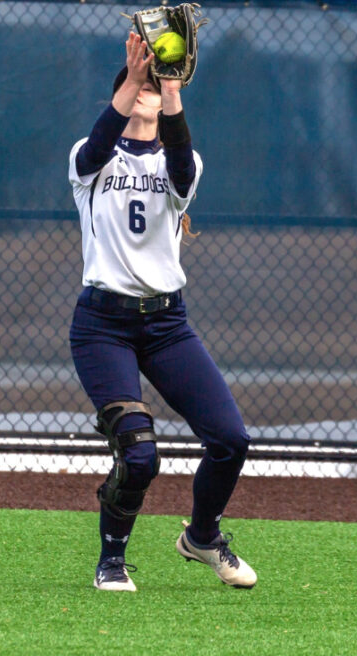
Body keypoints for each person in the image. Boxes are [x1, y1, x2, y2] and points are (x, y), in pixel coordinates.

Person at [68, 31, 256, 591]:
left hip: (166, 325)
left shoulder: (186, 161)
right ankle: (112, 559)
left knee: (231, 440)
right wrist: (132, 77)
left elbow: (177, 170)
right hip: (103, 326)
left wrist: (171, 90)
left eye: (153, 83)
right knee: (140, 453)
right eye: (140, 85)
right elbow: (101, 143)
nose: (149, 88)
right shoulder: (87, 159)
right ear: (123, 92)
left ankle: (201, 536)